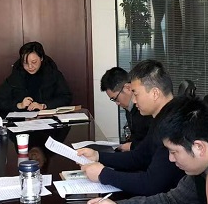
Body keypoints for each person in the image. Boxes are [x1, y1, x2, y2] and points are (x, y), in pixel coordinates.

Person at [77, 60, 184, 196]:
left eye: (136, 94)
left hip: (167, 199)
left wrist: (103, 174)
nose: (133, 100)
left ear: (155, 93)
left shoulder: (174, 125)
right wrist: (97, 156)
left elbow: (151, 184)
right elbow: (138, 157)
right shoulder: (161, 117)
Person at [0, 41, 73, 115]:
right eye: (25, 63)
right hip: (21, 121)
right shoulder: (16, 76)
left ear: (41, 58)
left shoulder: (53, 74)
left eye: (34, 62)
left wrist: (44, 105)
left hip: (48, 120)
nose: (30, 66)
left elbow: (66, 97)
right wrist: (19, 105)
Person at [100, 66, 152, 151]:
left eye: (116, 98)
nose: (117, 103)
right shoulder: (129, 108)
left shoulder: (146, 109)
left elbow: (151, 144)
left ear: (128, 88)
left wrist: (130, 146)